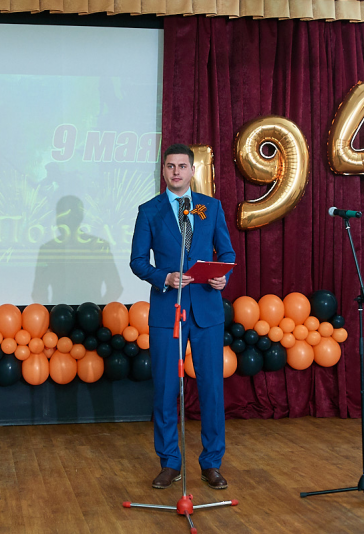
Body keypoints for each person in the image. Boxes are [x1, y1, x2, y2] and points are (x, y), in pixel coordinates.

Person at [130, 143, 236, 490]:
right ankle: (169, 463)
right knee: (165, 389)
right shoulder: (149, 211)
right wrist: (165, 277)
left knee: (211, 389)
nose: (176, 171)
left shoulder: (211, 207)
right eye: (170, 166)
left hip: (207, 309)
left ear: (192, 170)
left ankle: (211, 463)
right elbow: (137, 261)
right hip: (167, 311)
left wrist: (222, 276)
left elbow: (227, 252)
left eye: (182, 166)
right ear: (163, 171)